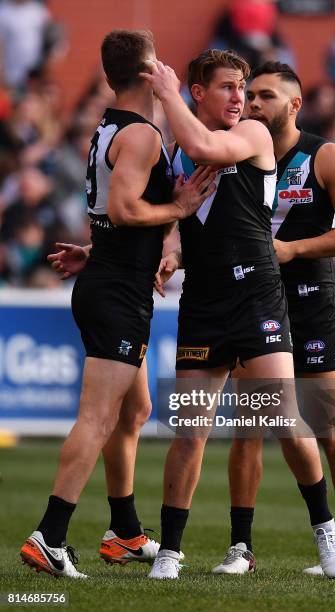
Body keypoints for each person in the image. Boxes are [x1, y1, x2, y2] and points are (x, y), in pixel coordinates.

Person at [140, 50, 335, 580]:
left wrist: (164, 94)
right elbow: (175, 219)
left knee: (280, 418)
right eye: (230, 88)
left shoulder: (253, 135)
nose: (242, 98)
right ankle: (169, 549)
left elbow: (204, 144)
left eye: (246, 88)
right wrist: (168, 247)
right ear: (199, 93)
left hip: (257, 296)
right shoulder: (176, 152)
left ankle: (327, 531)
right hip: (205, 304)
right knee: (190, 430)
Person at [20, 29, 214, 579]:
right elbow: (128, 209)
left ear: (109, 76)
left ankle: (124, 532)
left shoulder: (110, 125)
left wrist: (96, 250)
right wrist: (179, 205)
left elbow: (111, 213)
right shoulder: (144, 136)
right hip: (119, 292)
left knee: (135, 411)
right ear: (149, 72)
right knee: (99, 417)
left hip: (110, 278)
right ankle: (49, 537)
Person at [213, 61, 335, 575]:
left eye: (265, 96)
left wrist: (294, 248)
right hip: (254, 302)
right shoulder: (235, 152)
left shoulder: (326, 156)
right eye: (248, 95)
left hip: (309, 301)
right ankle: (241, 548)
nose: (253, 104)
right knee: (250, 427)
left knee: (331, 428)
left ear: (294, 105)